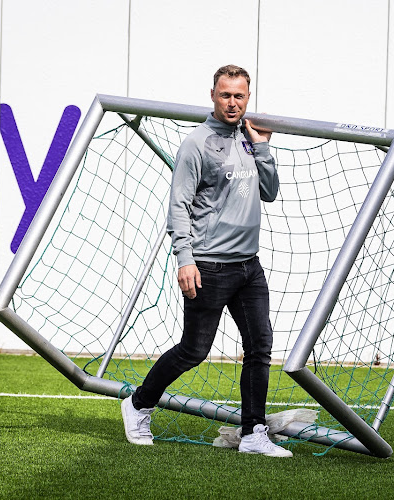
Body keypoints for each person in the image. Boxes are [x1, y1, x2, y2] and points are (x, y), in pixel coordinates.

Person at [121, 64, 291, 458]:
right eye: (225, 95)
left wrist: (263, 147)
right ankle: (138, 404)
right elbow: (178, 205)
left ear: (248, 97)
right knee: (194, 350)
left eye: (240, 95)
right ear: (212, 96)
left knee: (260, 347)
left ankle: (252, 434)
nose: (233, 103)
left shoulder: (251, 139)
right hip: (209, 265)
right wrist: (185, 259)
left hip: (249, 266)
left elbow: (269, 192)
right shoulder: (196, 143)